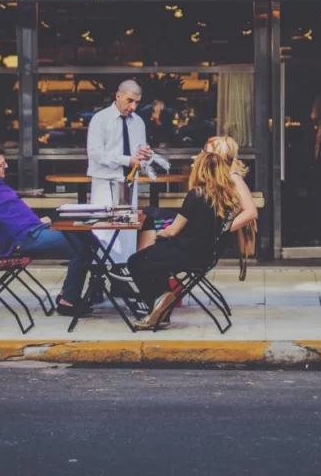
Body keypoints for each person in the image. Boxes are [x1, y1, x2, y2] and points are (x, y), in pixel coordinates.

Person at [0, 146, 90, 317]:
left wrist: (39, 221)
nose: (6, 166)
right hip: (25, 238)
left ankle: (72, 294)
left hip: (36, 228)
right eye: (1, 165)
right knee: (83, 245)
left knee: (87, 235)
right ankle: (68, 300)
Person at [127, 150, 254, 330]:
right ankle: (161, 309)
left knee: (136, 261)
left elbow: (173, 230)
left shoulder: (196, 195)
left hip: (186, 254)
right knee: (156, 261)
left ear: (200, 170)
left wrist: (157, 235)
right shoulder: (227, 198)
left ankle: (160, 300)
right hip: (206, 256)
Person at [87, 80, 151, 262]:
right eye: (130, 101)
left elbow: (140, 155)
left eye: (137, 103)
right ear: (118, 96)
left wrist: (145, 155)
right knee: (103, 230)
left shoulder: (138, 122)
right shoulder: (100, 119)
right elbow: (95, 153)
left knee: (127, 231)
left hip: (128, 183)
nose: (133, 107)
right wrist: (127, 159)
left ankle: (122, 276)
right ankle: (99, 278)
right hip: (105, 182)